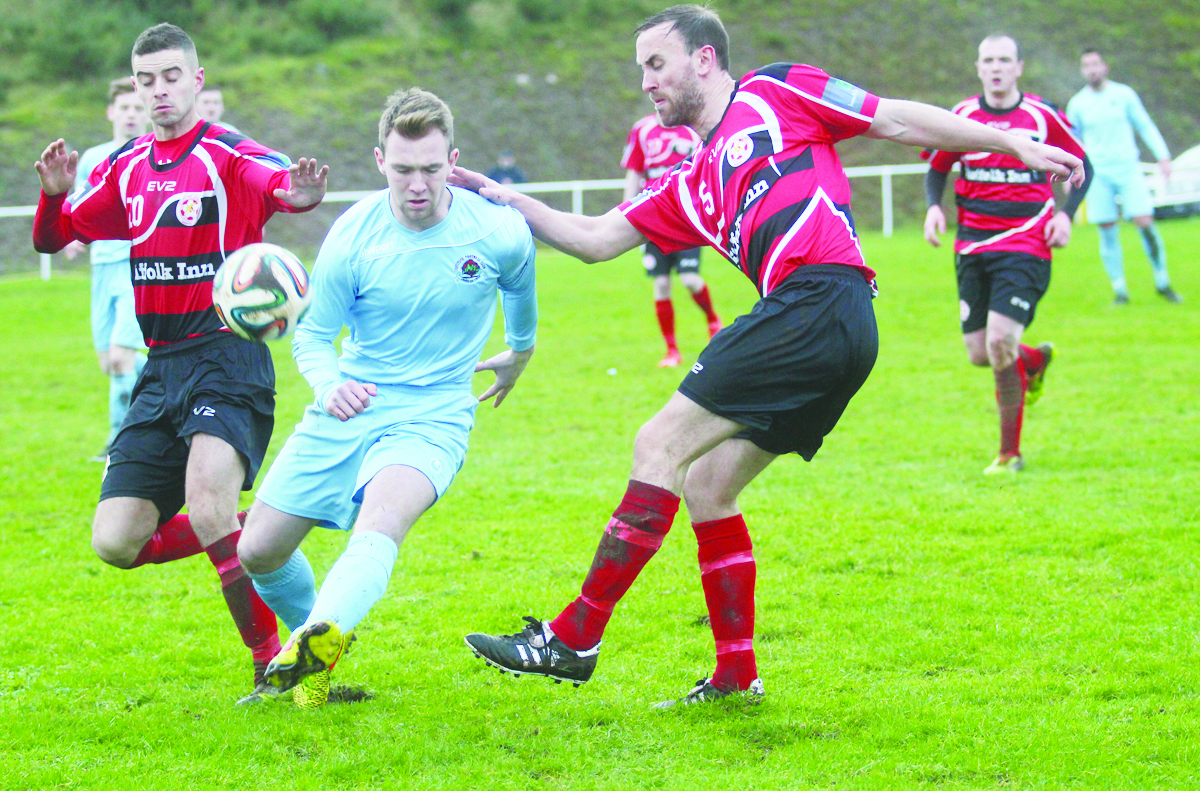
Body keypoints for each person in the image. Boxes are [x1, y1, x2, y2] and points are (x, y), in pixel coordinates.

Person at [455, 4, 1083, 707]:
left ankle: (573, 639)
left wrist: (1009, 144)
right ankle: (735, 674)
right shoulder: (690, 183)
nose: (646, 83)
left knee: (658, 442)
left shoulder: (776, 90)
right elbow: (596, 237)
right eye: (640, 71)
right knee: (708, 484)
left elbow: (895, 119)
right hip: (836, 328)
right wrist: (506, 199)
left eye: (655, 64)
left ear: (703, 59)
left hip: (819, 299)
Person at [32, 23, 328, 692]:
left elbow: (275, 180)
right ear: (135, 88)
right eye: (146, 80)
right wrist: (54, 191)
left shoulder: (225, 153)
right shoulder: (126, 165)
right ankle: (266, 527)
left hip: (227, 356)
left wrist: (297, 194)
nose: (159, 91)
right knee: (115, 540)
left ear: (196, 81)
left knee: (207, 508)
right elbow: (55, 238)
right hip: (159, 368)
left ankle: (273, 666)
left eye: (172, 77)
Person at [235, 88, 538, 708]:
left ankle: (317, 644)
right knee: (257, 550)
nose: (418, 183)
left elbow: (522, 296)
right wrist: (329, 385)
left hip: (436, 413)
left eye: (431, 168)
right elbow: (315, 335)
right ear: (380, 161)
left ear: (454, 160)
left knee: (381, 519)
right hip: (353, 402)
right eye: (403, 169)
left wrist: (520, 353)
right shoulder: (353, 235)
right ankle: (313, 657)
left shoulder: (498, 230)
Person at [923, 35, 1091, 475]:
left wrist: (1067, 215)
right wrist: (934, 207)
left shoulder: (1040, 115)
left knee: (999, 341)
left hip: (1026, 240)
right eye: (988, 61)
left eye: (1004, 60)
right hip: (972, 244)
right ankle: (1033, 360)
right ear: (978, 68)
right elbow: (938, 166)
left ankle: (1009, 455)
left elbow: (1082, 164)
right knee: (980, 352)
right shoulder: (961, 117)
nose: (996, 68)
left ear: (1019, 67)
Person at [62, 78, 150, 460]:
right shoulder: (93, 158)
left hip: (136, 267)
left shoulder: (152, 155)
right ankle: (167, 376)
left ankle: (121, 443)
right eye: (125, 108)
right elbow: (79, 206)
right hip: (102, 269)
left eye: (137, 108)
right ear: (111, 112)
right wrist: (73, 236)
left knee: (120, 357)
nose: (131, 115)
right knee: (111, 362)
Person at [1067, 49, 1181, 304]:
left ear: (1105, 66)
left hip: (1128, 168)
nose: (1092, 69)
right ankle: (1120, 290)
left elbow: (1144, 124)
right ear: (1082, 70)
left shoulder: (1123, 94)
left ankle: (1162, 281)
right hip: (1098, 172)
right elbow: (1072, 140)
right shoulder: (1078, 104)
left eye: (1095, 64)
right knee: (1106, 228)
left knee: (1144, 220)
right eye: (1086, 65)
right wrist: (1068, 174)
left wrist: (1162, 156)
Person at [622, 114, 721, 366]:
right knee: (662, 285)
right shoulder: (642, 130)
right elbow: (634, 171)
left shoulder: (692, 129)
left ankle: (713, 322)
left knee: (689, 279)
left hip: (686, 218)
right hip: (652, 217)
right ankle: (672, 351)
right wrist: (625, 209)